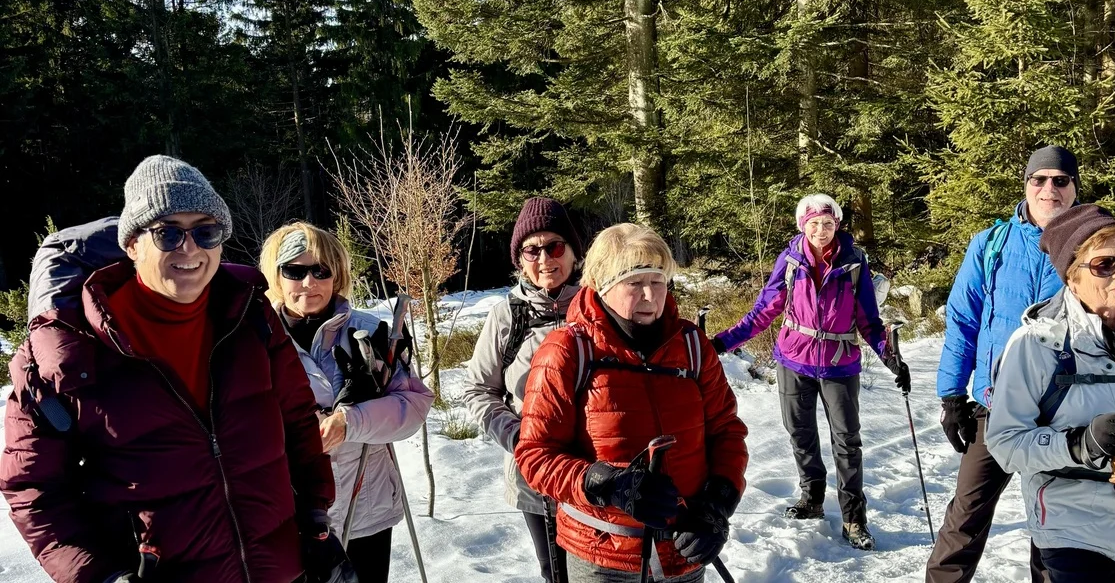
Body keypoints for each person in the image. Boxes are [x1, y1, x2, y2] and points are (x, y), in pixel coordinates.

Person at [0, 155, 343, 583]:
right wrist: (99, 576)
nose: (190, 249)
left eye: (206, 231)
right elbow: (34, 490)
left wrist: (315, 518)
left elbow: (297, 424)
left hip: (279, 569)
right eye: (168, 233)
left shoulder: (249, 316)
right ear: (131, 245)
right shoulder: (65, 352)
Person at [515, 223, 749, 583]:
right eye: (634, 283)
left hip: (684, 550)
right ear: (603, 286)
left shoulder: (691, 346)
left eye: (657, 281)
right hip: (602, 558)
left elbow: (727, 432)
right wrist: (605, 483)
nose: (649, 296)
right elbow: (535, 455)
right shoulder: (567, 351)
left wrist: (717, 505)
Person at [986, 204, 1115, 582]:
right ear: (1072, 277)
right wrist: (1080, 444)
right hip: (1072, 528)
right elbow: (1006, 443)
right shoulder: (1037, 344)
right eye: (1105, 264)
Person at [710, 193, 908, 551]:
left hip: (840, 363)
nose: (821, 230)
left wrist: (890, 357)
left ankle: (853, 518)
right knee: (800, 433)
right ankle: (813, 497)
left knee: (847, 441)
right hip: (793, 359)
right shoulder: (790, 261)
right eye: (814, 224)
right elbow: (763, 311)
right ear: (803, 226)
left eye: (828, 224)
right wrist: (721, 343)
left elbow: (868, 319)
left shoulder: (853, 262)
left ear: (837, 225)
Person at [926, 145, 1080, 582]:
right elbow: (963, 319)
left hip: (1062, 411)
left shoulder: (1092, 246)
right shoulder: (991, 243)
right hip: (994, 408)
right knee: (965, 518)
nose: (1049, 188)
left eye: (1060, 180)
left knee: (1054, 526)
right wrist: (952, 394)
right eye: (1039, 179)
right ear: (1026, 185)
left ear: (1074, 188)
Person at [260, 222, 434, 583]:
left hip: (365, 506)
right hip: (290, 511)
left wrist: (351, 420)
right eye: (294, 270)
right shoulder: (255, 338)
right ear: (276, 276)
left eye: (320, 270)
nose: (309, 282)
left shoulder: (370, 332)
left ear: (336, 275)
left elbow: (413, 406)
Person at [462, 197, 585, 582]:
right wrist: (521, 440)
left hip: (599, 469)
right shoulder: (507, 315)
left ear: (575, 254)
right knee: (557, 570)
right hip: (537, 473)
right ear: (519, 260)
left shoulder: (599, 307)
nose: (544, 258)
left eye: (555, 246)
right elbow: (478, 390)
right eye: (532, 249)